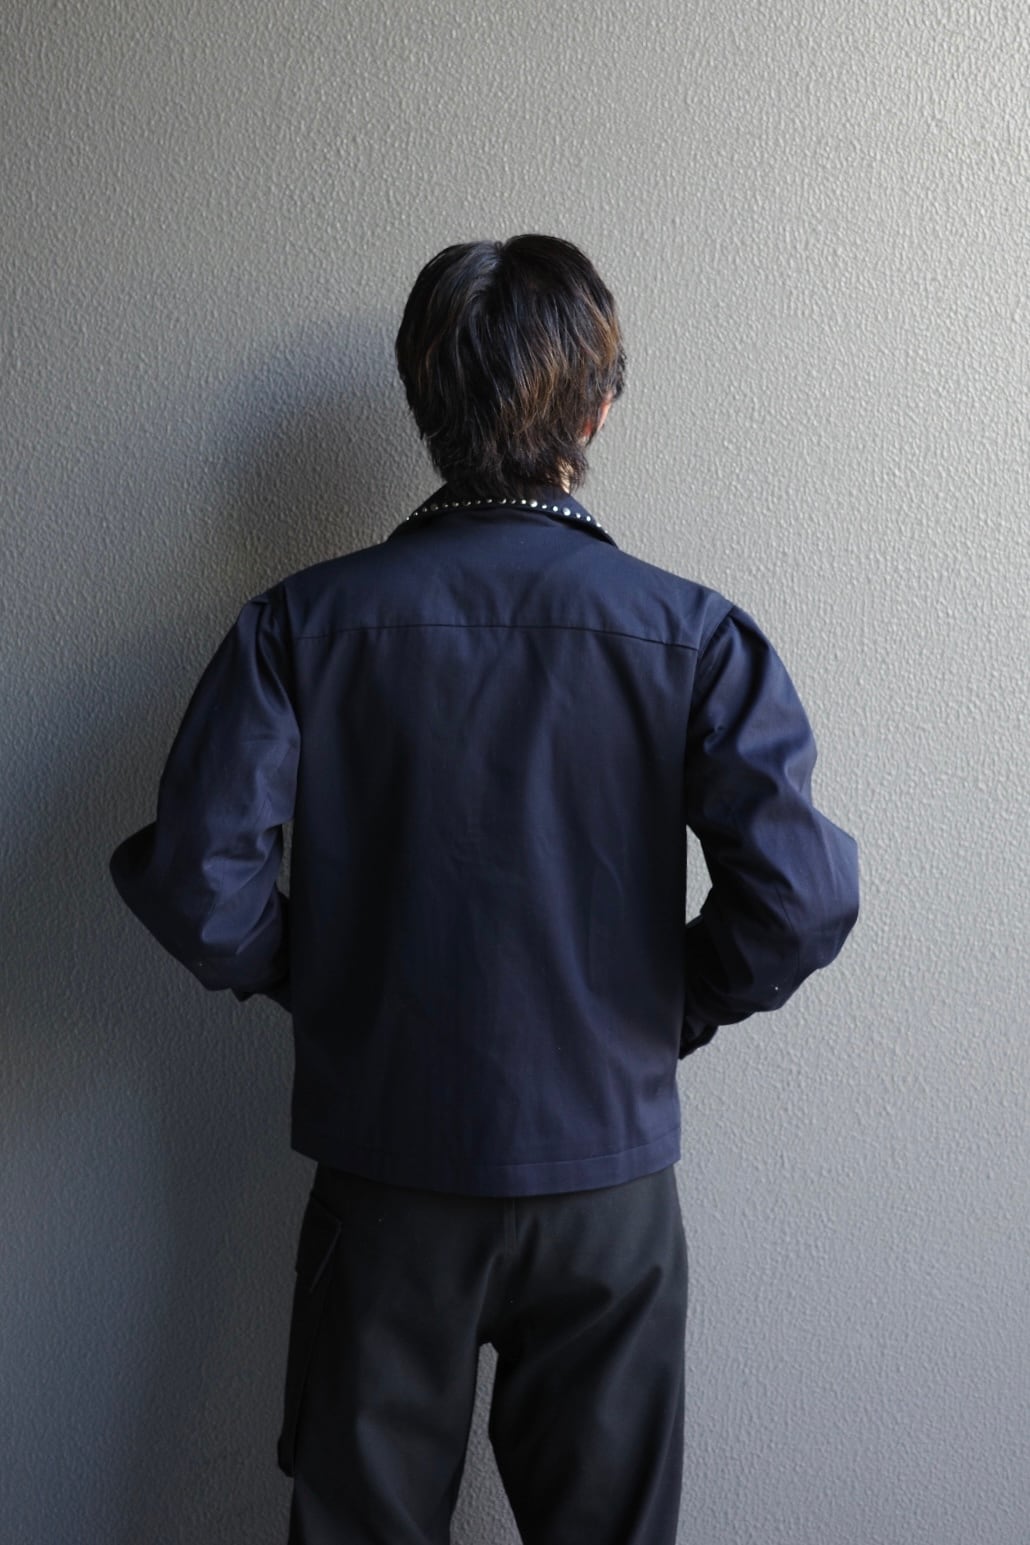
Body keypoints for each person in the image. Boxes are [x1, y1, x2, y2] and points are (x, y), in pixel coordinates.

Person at [110, 234, 859, 1545]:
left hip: (388, 1174)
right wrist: (667, 1009)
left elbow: (197, 878)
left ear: (424, 399)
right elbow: (797, 896)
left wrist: (324, 982)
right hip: (607, 1183)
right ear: (599, 406)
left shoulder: (301, 625)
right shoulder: (690, 633)